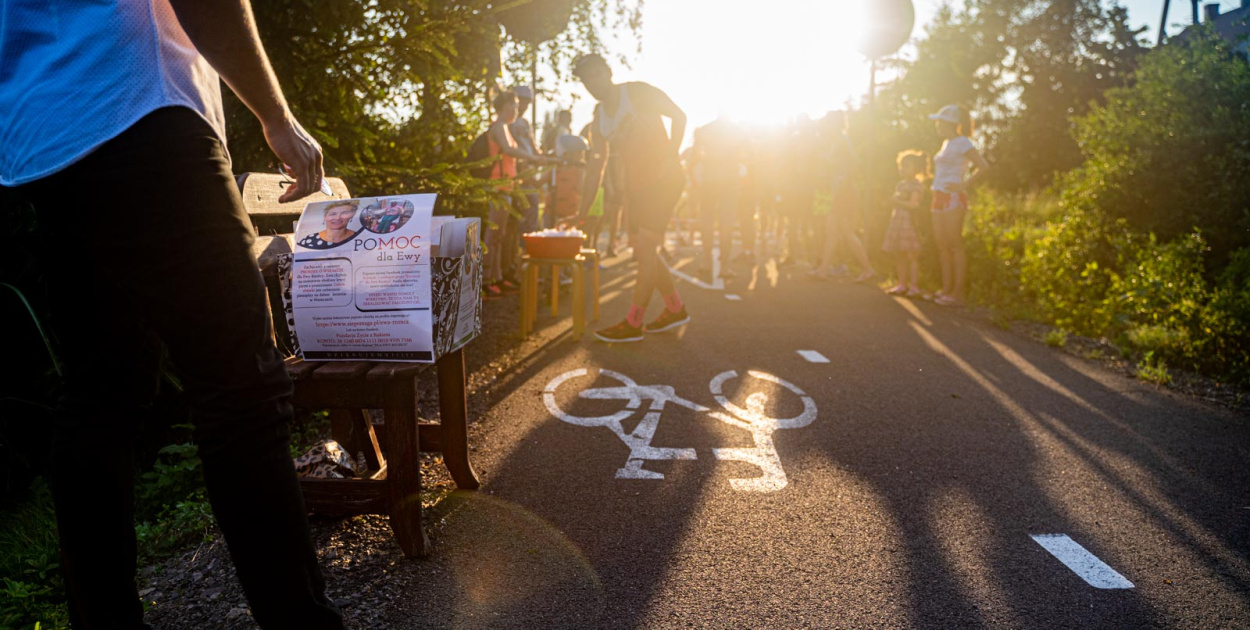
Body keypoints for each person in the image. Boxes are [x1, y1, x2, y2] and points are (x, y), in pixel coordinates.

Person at [0, 1, 345, 628]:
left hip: (43, 139)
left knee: (101, 395)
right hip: (140, 105)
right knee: (242, 384)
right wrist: (276, 116)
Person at [572, 54, 689, 342]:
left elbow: (679, 115)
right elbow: (595, 168)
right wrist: (582, 212)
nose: (593, 84)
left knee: (646, 249)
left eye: (597, 75)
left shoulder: (636, 92)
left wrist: (671, 156)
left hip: (664, 180)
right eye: (587, 80)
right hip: (637, 189)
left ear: (608, 72)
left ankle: (633, 323)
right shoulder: (598, 119)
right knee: (644, 252)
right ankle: (675, 309)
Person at [484, 89, 558, 298]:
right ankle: (485, 279)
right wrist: (534, 159)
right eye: (514, 105)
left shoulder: (506, 127)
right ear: (504, 105)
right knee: (493, 236)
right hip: (496, 187)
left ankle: (497, 277)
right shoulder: (498, 127)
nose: (517, 109)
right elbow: (509, 150)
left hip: (507, 187)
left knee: (500, 236)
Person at [928, 105, 989, 307]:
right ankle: (946, 290)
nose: (937, 125)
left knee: (954, 243)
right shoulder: (945, 143)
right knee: (942, 245)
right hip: (938, 196)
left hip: (954, 197)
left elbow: (984, 166)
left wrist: (963, 184)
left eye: (940, 122)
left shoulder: (963, 142)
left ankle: (957, 293)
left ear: (950, 124)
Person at [810, 111, 875, 282]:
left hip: (844, 191)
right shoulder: (836, 142)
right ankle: (824, 269)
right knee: (834, 231)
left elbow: (854, 164)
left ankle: (867, 269)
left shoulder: (843, 141)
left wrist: (843, 186)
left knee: (844, 232)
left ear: (836, 124)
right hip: (838, 190)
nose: (826, 127)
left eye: (828, 123)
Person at [882, 151, 927, 297]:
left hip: (909, 223)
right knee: (900, 254)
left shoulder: (916, 185)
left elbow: (913, 204)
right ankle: (902, 284)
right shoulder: (900, 184)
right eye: (901, 166)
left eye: (906, 166)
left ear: (916, 168)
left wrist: (896, 201)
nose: (903, 169)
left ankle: (914, 286)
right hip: (898, 222)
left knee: (912, 255)